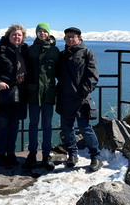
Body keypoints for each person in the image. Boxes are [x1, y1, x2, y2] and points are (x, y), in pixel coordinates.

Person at [56, 27, 103, 172]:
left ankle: (96, 157)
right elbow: (58, 74)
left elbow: (93, 76)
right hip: (65, 98)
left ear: (79, 38)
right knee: (67, 128)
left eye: (73, 36)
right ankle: (72, 155)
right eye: (68, 37)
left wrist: (83, 92)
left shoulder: (88, 54)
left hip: (81, 99)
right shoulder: (62, 55)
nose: (71, 39)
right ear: (65, 39)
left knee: (85, 128)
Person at [0, 24, 29, 166]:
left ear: (23, 37)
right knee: (2, 125)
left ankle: (11, 154)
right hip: (3, 93)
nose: (17, 37)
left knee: (14, 125)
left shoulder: (25, 51)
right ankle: (1, 155)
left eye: (19, 35)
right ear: (8, 36)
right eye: (14, 34)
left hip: (20, 94)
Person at [23, 22, 60, 170]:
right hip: (33, 94)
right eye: (40, 32)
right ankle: (32, 154)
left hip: (48, 94)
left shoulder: (54, 51)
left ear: (49, 33)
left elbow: (59, 72)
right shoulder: (31, 50)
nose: (43, 34)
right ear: (36, 34)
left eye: (45, 31)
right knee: (32, 125)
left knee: (47, 126)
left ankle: (46, 155)